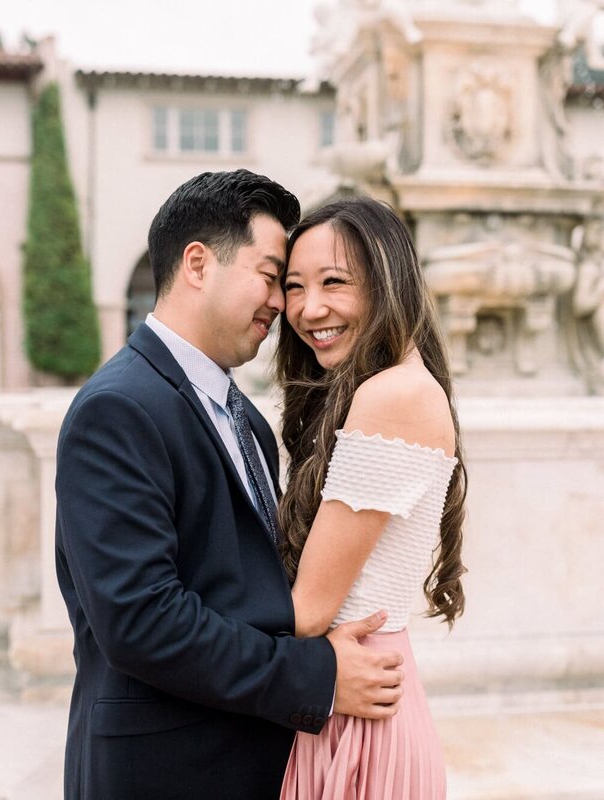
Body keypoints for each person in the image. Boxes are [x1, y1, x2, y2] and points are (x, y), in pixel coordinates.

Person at [54, 170, 407, 800]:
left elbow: (246, 587)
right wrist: (316, 676)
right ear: (197, 264)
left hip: (254, 760)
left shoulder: (246, 419)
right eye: (273, 276)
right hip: (164, 771)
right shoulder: (118, 408)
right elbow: (141, 619)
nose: (284, 304)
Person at [276, 197, 468, 799]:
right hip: (347, 682)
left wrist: (172, 622)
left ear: (388, 284)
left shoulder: (394, 395)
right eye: (294, 287)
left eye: (335, 283)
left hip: (356, 699)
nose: (310, 309)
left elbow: (307, 611)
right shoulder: (389, 388)